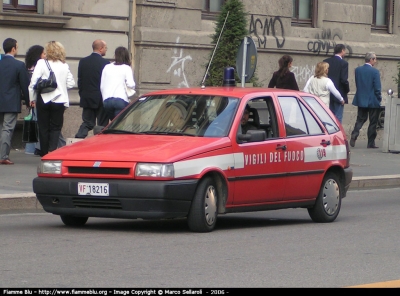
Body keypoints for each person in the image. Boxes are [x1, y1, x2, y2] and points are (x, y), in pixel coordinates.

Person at [29, 41, 75, 156]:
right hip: (59, 100)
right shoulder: (64, 65)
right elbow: (71, 84)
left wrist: (32, 99)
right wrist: (61, 87)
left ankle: (44, 153)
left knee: (43, 128)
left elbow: (33, 83)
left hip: (44, 99)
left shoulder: (41, 63)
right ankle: (52, 151)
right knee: (56, 128)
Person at [0, 38, 30, 165]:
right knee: (7, 129)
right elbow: (25, 85)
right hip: (11, 102)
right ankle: (3, 156)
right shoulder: (19, 65)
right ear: (13, 49)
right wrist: (28, 101)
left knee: (2, 128)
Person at [75, 39, 110, 139]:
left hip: (87, 97)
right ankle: (100, 143)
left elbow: (80, 81)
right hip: (101, 98)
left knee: (87, 122)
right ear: (100, 48)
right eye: (105, 48)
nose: (106, 50)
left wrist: (82, 94)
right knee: (102, 125)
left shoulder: (83, 61)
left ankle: (78, 138)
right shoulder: (106, 63)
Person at [349, 52, 382, 149]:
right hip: (372, 100)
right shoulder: (375, 72)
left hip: (361, 98)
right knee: (373, 122)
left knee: (360, 119)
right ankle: (370, 142)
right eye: (375, 59)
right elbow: (377, 87)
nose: (375, 61)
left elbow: (357, 83)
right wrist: (379, 97)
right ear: (371, 60)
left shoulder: (358, 70)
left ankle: (354, 134)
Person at [100, 46, 135, 121]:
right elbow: (131, 84)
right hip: (121, 100)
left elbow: (102, 86)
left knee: (113, 124)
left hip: (107, 101)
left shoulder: (107, 67)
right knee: (119, 124)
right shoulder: (126, 68)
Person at [24, 45, 46, 155]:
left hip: (32, 99)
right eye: (43, 53)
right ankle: (36, 148)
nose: (45, 56)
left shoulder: (27, 68)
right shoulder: (38, 68)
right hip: (36, 99)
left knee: (33, 123)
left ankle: (31, 148)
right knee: (38, 123)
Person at [323, 44, 350, 123]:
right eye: (344, 51)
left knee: (328, 118)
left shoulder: (326, 61)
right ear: (342, 51)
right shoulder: (344, 63)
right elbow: (343, 80)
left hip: (327, 94)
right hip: (339, 94)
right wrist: (347, 90)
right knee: (338, 119)